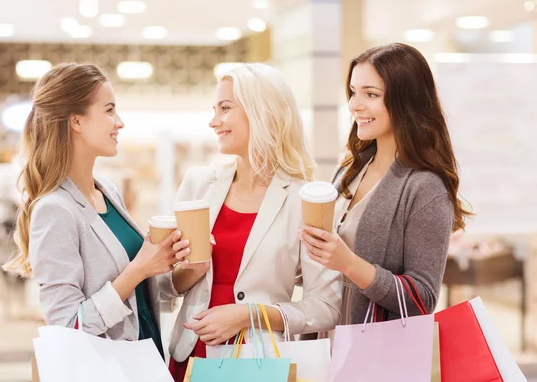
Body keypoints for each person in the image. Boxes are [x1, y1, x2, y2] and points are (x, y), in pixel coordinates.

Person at [158, 63, 343, 381]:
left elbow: (326, 307)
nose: (213, 121)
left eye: (225, 108)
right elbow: (161, 287)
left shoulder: (303, 201)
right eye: (214, 109)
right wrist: (187, 272)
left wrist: (249, 315)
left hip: (258, 363)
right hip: (190, 357)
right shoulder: (198, 184)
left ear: (262, 112)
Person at [3, 63, 189, 358]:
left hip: (147, 359)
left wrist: (183, 263)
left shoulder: (108, 191)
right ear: (76, 121)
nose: (120, 122)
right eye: (109, 110)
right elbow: (66, 327)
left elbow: (141, 291)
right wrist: (139, 268)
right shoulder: (55, 210)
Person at [300, 43, 471, 324]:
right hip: (325, 336)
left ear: (407, 102)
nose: (355, 105)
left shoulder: (424, 186)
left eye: (371, 94)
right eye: (354, 92)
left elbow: (422, 298)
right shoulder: (349, 169)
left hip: (376, 350)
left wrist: (349, 264)